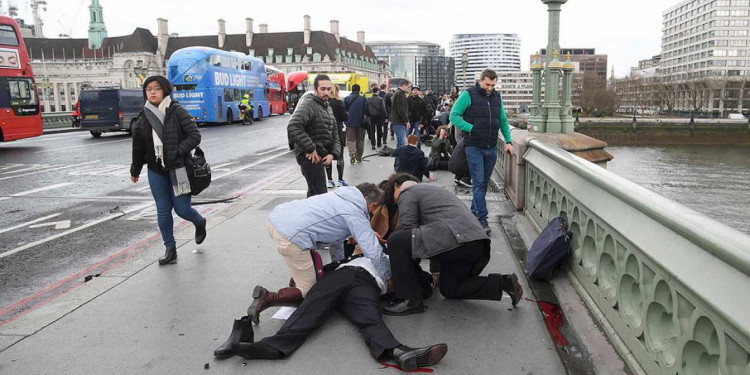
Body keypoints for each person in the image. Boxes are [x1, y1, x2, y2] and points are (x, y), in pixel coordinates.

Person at [217, 256, 448, 372]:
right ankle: (395, 350)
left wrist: (429, 282)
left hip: (364, 284)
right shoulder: (364, 255)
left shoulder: (397, 260)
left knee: (361, 317)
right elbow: (316, 274)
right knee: (316, 308)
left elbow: (422, 284)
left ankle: (398, 351)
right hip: (351, 277)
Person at [247, 183, 391, 325]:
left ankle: (297, 278)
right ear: (370, 202)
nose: (373, 213)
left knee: (307, 264)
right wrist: (388, 275)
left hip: (277, 219)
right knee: (310, 291)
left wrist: (339, 265)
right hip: (292, 235)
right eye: (374, 208)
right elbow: (372, 250)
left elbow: (336, 240)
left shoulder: (341, 196)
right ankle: (268, 298)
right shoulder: (355, 212)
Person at [380, 175, 523, 316]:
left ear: (396, 186)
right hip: (475, 244)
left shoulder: (407, 192)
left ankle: (409, 300)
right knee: (450, 289)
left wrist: (408, 277)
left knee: (397, 240)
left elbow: (409, 233)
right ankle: (503, 283)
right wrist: (435, 271)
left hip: (457, 240)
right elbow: (430, 235)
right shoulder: (432, 192)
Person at [130, 75, 206, 265]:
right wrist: (135, 169)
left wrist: (177, 152)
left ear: (165, 90)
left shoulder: (177, 111)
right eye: (148, 89)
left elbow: (194, 136)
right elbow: (138, 146)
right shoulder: (143, 116)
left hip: (178, 168)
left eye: (156, 88)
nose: (152, 92)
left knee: (182, 210)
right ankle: (170, 250)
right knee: (163, 211)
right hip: (156, 170)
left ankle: (200, 222)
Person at [450, 69, 513, 235]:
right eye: (487, 84)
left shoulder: (496, 97)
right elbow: (454, 116)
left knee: (483, 183)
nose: (490, 88)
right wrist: (471, 128)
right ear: (480, 81)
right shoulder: (468, 95)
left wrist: (508, 141)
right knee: (478, 182)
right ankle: (482, 219)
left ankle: (473, 213)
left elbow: (503, 121)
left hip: (491, 146)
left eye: (493, 85)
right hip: (474, 146)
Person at [287, 74, 340, 197]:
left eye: (328, 89)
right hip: (310, 156)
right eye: (323, 89)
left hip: (322, 155)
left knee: (315, 193)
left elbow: (335, 133)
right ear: (316, 89)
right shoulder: (309, 104)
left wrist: (333, 154)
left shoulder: (328, 107)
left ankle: (310, 215)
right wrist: (310, 148)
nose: (326, 92)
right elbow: (293, 126)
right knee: (320, 194)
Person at [325, 85, 349, 188]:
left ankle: (329, 180)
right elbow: (345, 117)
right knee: (339, 156)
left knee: (327, 156)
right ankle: (340, 180)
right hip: (337, 132)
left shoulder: (324, 103)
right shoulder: (339, 103)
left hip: (326, 133)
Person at [344, 84, 370, 164]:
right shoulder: (363, 99)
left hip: (350, 123)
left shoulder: (346, 99)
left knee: (351, 140)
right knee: (360, 140)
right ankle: (359, 157)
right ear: (359, 90)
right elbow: (367, 111)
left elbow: (344, 110)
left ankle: (352, 153)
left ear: (352, 89)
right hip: (361, 123)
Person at [389, 80, 410, 148]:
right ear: (404, 85)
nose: (408, 88)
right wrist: (406, 120)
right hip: (399, 122)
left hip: (398, 122)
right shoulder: (399, 94)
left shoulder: (399, 93)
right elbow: (401, 109)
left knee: (400, 142)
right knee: (402, 143)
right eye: (408, 86)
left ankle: (398, 158)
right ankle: (400, 158)